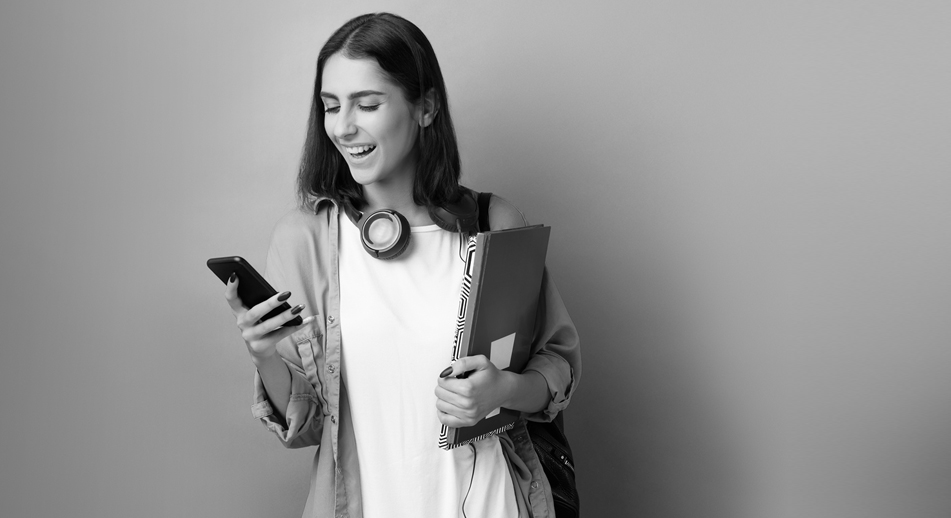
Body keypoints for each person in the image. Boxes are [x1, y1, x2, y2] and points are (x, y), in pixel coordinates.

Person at [223, 12, 581, 518]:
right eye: (330, 107)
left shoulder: (492, 221)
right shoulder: (302, 239)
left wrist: (503, 389)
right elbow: (304, 426)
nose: (344, 127)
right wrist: (263, 355)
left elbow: (555, 363)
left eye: (367, 104)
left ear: (426, 107)